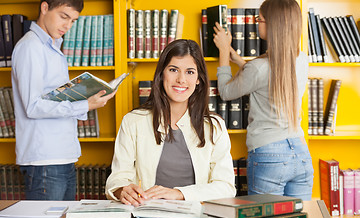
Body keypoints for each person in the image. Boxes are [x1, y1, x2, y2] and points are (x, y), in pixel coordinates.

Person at [106, 39, 236, 206]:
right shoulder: (133, 121)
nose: (181, 79)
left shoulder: (214, 126)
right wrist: (122, 190)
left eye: (190, 72)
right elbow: (117, 178)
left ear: (198, 79)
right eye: (174, 70)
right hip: (146, 217)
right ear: (162, 75)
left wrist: (179, 194)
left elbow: (226, 187)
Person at [11, 0, 116, 200]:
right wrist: (86, 104)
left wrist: (87, 98)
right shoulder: (31, 47)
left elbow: (56, 97)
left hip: (63, 155)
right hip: (43, 160)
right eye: (63, 17)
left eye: (73, 21)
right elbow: (33, 107)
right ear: (44, 8)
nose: (67, 26)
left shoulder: (53, 47)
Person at [213, 0, 314, 201]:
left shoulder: (258, 68)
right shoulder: (302, 59)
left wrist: (224, 52)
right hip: (301, 153)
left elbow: (225, 91)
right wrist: (240, 61)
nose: (257, 23)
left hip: (270, 155)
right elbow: (270, 78)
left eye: (259, 19)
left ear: (273, 25)